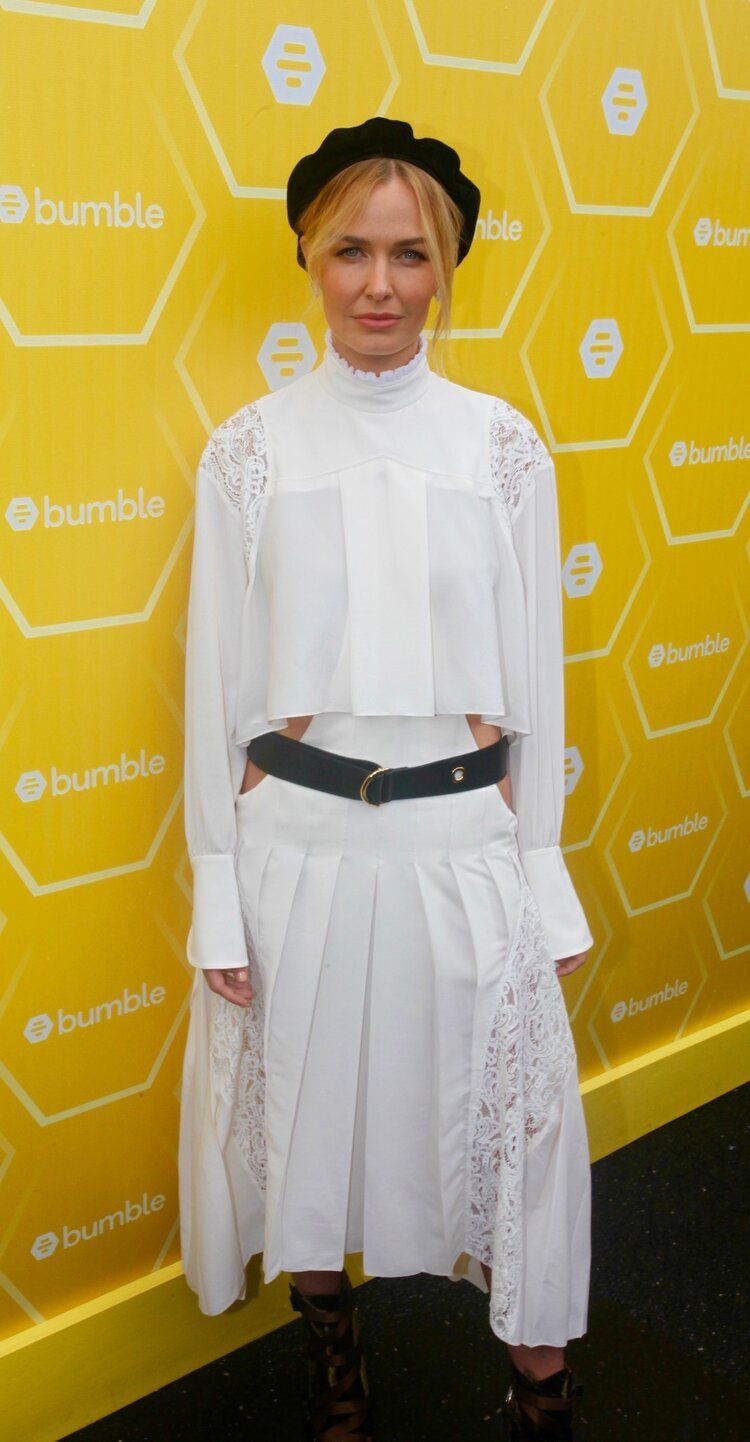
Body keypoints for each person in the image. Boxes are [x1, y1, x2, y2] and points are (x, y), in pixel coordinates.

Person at [178, 116, 594, 1442]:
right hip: (295, 844)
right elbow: (219, 697)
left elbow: (535, 677)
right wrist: (218, 895)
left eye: (409, 253)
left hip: (464, 840)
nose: (377, 283)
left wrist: (545, 874)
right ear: (305, 254)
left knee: (519, 1142)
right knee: (306, 1115)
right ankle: (335, 1363)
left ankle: (542, 1394)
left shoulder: (500, 446)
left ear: (448, 263)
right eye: (349, 249)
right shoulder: (248, 450)